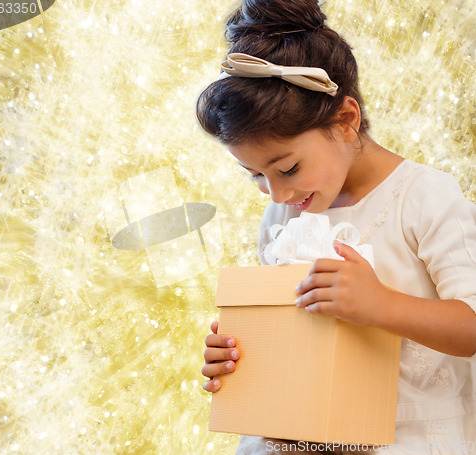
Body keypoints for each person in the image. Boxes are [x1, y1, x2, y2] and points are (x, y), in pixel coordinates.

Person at [196, 0, 476, 453]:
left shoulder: (424, 198)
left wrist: (380, 303)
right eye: (256, 176)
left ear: (346, 121)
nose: (277, 194)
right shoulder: (282, 218)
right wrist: (239, 354)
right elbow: (294, 337)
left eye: (286, 169)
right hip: (305, 436)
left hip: (407, 436)